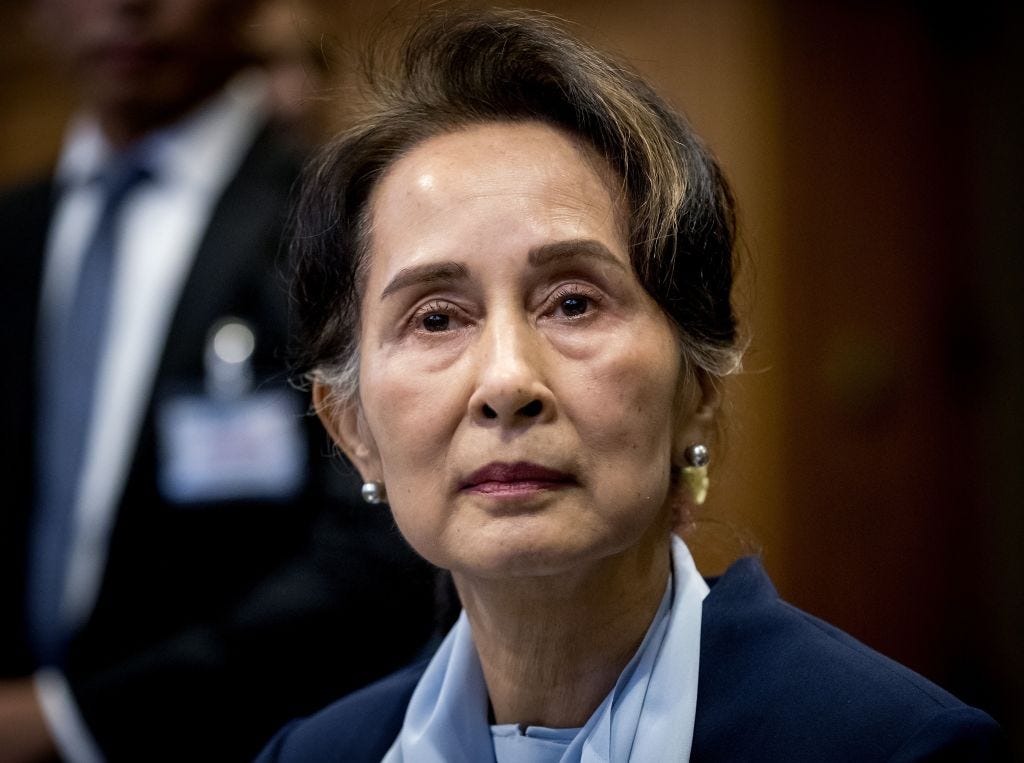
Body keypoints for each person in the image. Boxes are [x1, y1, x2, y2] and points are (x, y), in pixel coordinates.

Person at [253, 8, 1006, 762]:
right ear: (350, 425)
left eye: (573, 303)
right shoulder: (313, 754)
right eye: (437, 318)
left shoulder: (894, 748)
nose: (508, 380)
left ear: (698, 387)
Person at [0, 1, 440, 761]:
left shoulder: (337, 220)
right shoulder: (13, 232)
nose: (127, 9)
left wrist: (72, 717)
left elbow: (385, 542)